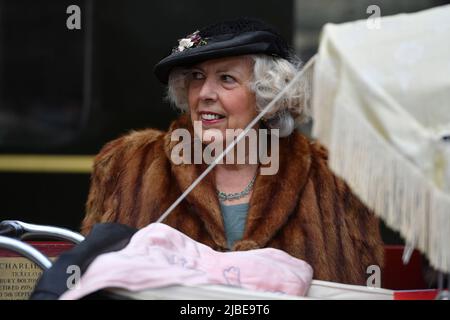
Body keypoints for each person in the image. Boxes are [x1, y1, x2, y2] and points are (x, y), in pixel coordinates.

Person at [81, 17, 384, 285]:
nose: (204, 94)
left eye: (226, 79)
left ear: (268, 94)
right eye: (196, 77)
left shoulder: (333, 178)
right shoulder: (128, 163)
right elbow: (90, 277)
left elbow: (359, 290)